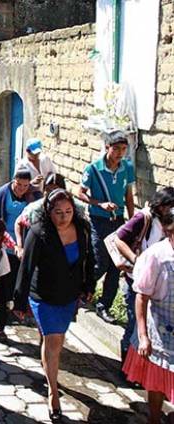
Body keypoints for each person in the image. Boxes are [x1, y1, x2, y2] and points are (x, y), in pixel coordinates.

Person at [14, 189, 96, 423]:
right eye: (58, 212)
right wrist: (20, 300)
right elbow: (26, 268)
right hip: (44, 296)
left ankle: (49, 370)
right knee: (54, 342)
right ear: (49, 212)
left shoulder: (81, 230)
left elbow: (89, 259)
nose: (64, 217)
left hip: (68, 296)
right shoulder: (39, 233)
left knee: (54, 340)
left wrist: (89, 284)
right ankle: (53, 392)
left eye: (68, 212)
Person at [121, 208, 174, 424]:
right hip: (160, 328)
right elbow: (141, 297)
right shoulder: (157, 255)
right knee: (158, 381)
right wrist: (143, 336)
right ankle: (154, 418)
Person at [78, 130, 135, 323]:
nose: (120, 153)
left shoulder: (127, 167)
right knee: (99, 261)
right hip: (98, 220)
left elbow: (128, 195)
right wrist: (99, 203)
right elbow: (80, 193)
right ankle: (84, 291)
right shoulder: (93, 169)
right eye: (116, 149)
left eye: (123, 149)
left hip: (118, 222)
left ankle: (104, 306)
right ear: (107, 147)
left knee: (115, 266)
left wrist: (132, 221)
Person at [114, 187, 174, 366]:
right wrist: (136, 260)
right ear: (161, 205)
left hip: (159, 284)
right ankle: (127, 365)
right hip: (138, 280)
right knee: (134, 324)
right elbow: (119, 239)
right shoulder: (144, 217)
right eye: (169, 206)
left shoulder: (167, 222)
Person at [0, 167, 40, 337]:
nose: (21, 189)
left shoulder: (33, 196)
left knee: (18, 282)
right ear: (13, 181)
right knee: (3, 283)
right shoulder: (3, 193)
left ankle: (17, 309)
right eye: (18, 185)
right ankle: (1, 318)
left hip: (24, 247)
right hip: (5, 246)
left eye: (25, 186)